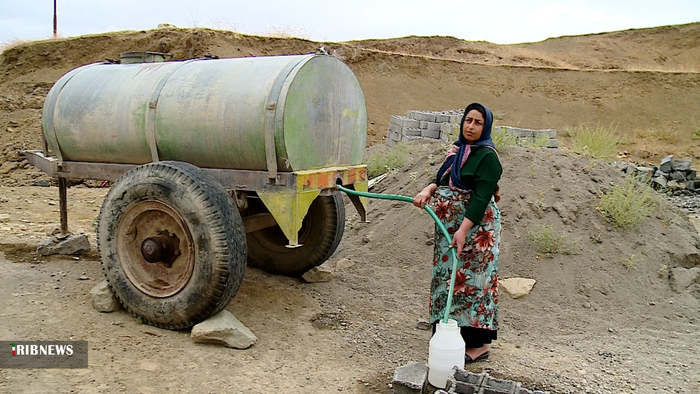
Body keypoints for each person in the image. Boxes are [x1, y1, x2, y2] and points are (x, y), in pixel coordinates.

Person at [413, 102, 502, 364]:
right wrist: (428, 190)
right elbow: (443, 177)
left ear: (486, 127)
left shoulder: (488, 158)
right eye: (468, 120)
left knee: (474, 283)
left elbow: (481, 198)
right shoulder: (458, 150)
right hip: (449, 229)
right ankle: (448, 331)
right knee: (448, 277)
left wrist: (463, 230)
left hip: (476, 232)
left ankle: (478, 345)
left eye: (478, 122)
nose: (471, 126)